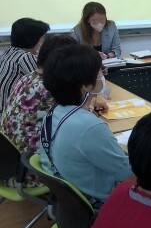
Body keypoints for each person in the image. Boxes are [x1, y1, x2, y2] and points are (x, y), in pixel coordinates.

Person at [39, 44, 132, 209]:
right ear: (86, 85)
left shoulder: (54, 111)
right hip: (100, 205)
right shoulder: (90, 127)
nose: (102, 75)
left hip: (70, 203)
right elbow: (128, 174)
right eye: (100, 71)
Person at [1, 35, 78, 188]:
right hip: (30, 169)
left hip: (7, 165)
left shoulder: (29, 78)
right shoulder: (49, 88)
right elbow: (76, 122)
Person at [0, 18, 49, 114]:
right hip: (9, 112)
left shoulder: (9, 52)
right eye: (43, 37)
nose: (44, 41)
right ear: (33, 39)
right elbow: (46, 83)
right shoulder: (25, 57)